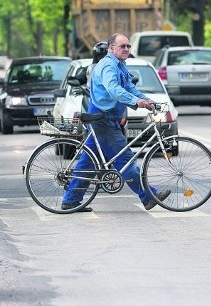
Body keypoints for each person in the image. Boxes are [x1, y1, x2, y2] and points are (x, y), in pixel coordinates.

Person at [61, 33, 171, 212]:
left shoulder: (120, 65)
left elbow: (129, 87)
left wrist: (146, 99)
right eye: (122, 46)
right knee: (126, 161)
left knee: (88, 160)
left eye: (128, 46)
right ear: (111, 48)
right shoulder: (108, 66)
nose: (126, 49)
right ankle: (148, 196)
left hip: (107, 116)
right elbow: (114, 90)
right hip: (103, 118)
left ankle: (70, 200)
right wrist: (136, 102)